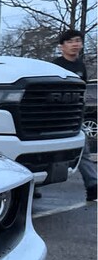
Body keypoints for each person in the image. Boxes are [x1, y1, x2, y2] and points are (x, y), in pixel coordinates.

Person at [52, 29, 96, 202]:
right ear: (61, 46)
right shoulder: (55, 66)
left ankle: (93, 187)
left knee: (83, 150)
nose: (75, 44)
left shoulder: (80, 66)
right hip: (54, 118)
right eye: (70, 41)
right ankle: (31, 186)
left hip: (75, 115)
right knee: (42, 153)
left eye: (78, 40)